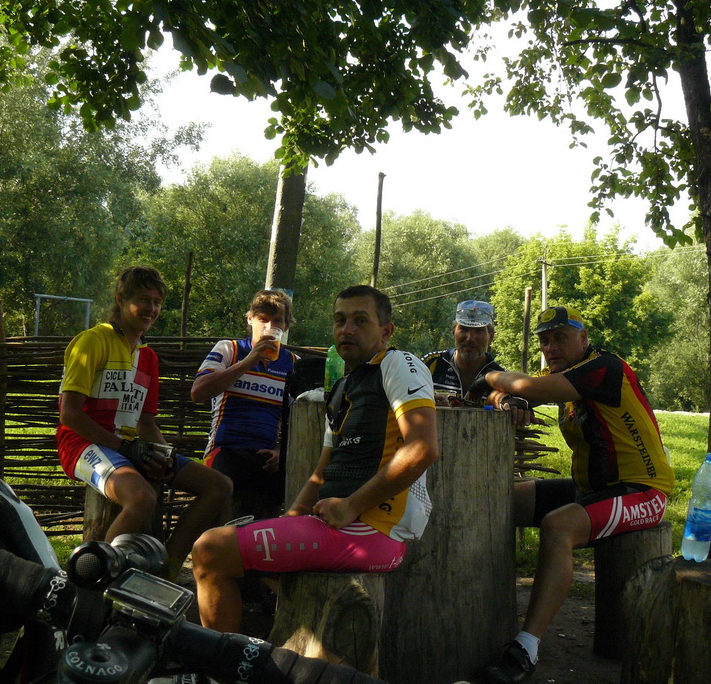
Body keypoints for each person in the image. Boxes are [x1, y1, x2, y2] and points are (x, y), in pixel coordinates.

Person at [191, 285, 439, 633]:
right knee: (237, 548)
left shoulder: (399, 363)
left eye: (360, 321)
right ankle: (282, 648)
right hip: (339, 526)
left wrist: (351, 505)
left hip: (370, 531)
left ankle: (225, 659)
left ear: (386, 331)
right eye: (339, 320)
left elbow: (423, 447)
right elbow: (322, 472)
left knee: (210, 550)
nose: (347, 329)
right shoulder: (340, 390)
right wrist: (291, 518)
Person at [475, 306, 675, 684]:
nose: (550, 347)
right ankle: (483, 610)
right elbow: (516, 393)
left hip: (643, 491)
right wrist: (506, 399)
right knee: (500, 500)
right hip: (593, 489)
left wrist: (489, 375)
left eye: (560, 338)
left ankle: (526, 647)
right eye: (544, 341)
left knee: (559, 526)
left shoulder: (604, 368)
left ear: (583, 339)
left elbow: (526, 388)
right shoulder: (563, 377)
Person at [56, 266, 232, 579]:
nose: (151, 308)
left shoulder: (148, 357)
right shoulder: (92, 341)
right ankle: (97, 578)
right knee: (141, 498)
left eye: (157, 302)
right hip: (81, 444)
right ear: (120, 299)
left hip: (128, 447)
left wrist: (164, 454)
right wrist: (125, 448)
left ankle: (167, 571)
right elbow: (69, 414)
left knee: (218, 486)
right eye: (142, 299)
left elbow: (146, 423)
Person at [190, 289, 296, 521]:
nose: (269, 327)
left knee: (292, 488)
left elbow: (298, 421)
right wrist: (248, 362)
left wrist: (281, 450)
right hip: (225, 448)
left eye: (277, 321)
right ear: (250, 320)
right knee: (226, 490)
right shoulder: (229, 349)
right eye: (263, 319)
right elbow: (198, 392)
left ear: (286, 326)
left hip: (267, 455)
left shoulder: (293, 364)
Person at [421, 299, 505, 401]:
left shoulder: (500, 377)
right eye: (464, 329)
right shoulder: (430, 364)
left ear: (490, 337)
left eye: (479, 331)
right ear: (453, 333)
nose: (470, 338)